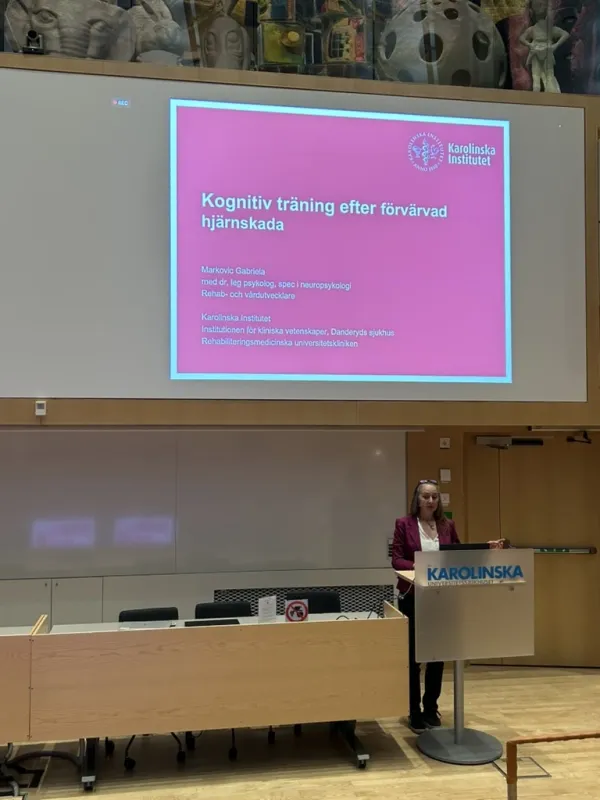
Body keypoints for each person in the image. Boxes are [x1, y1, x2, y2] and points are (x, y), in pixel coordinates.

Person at [391, 479, 504, 734]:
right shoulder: (404, 524)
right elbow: (397, 559)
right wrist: (419, 565)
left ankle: (431, 708)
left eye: (434, 497)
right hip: (413, 595)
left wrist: (487, 549)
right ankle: (414, 711)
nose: (431, 501)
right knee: (414, 658)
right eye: (426, 497)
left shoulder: (446, 524)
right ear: (417, 500)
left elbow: (458, 555)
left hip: (443, 597)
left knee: (437, 655)